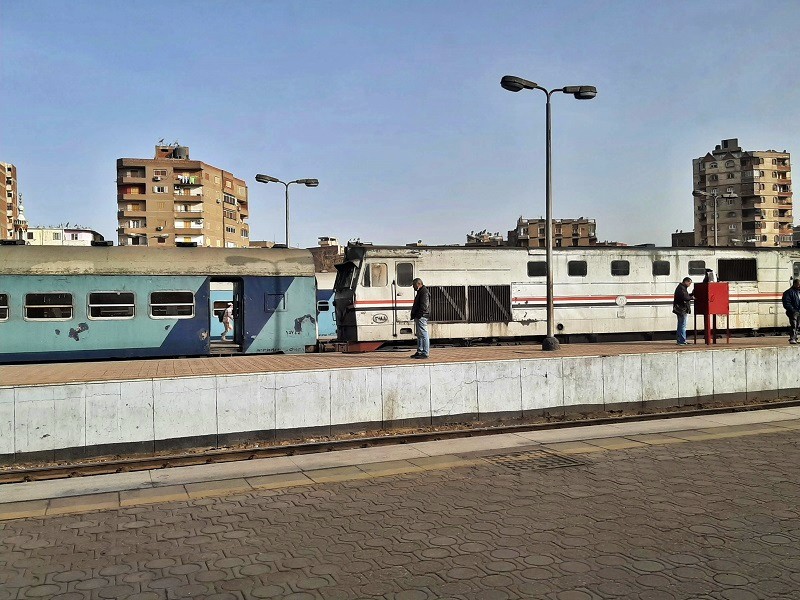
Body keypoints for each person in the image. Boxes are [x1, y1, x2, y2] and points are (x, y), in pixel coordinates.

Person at [410, 278, 430, 359]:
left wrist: (419, 315)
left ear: (418, 284)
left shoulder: (424, 292)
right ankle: (420, 351)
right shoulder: (421, 291)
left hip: (422, 316)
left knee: (424, 334)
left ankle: (425, 352)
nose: (413, 287)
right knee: (419, 334)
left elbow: (424, 306)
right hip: (420, 316)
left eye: (414, 285)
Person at [673, 277, 693, 346]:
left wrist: (690, 295)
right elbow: (685, 297)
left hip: (680, 309)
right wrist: (692, 297)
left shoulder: (681, 287)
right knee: (683, 325)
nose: (689, 285)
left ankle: (680, 340)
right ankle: (682, 341)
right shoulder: (682, 288)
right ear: (686, 282)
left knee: (680, 325)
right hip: (682, 309)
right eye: (689, 283)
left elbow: (685, 296)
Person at [782, 278, 800, 344]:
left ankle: (795, 338)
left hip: (798, 311)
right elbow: (786, 303)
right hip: (793, 312)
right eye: (798, 285)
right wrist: (792, 310)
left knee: (797, 325)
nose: (799, 286)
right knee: (794, 325)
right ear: (795, 284)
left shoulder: (798, 292)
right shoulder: (788, 292)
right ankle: (792, 338)